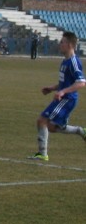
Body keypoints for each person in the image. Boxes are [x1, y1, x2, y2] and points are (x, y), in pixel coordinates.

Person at [30, 31, 86, 161]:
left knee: (42, 120)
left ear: (70, 45)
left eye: (62, 42)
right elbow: (65, 82)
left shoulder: (73, 62)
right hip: (63, 97)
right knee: (51, 127)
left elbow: (81, 83)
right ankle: (80, 131)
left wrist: (63, 92)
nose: (59, 44)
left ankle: (43, 154)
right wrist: (52, 88)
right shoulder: (65, 61)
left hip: (67, 99)